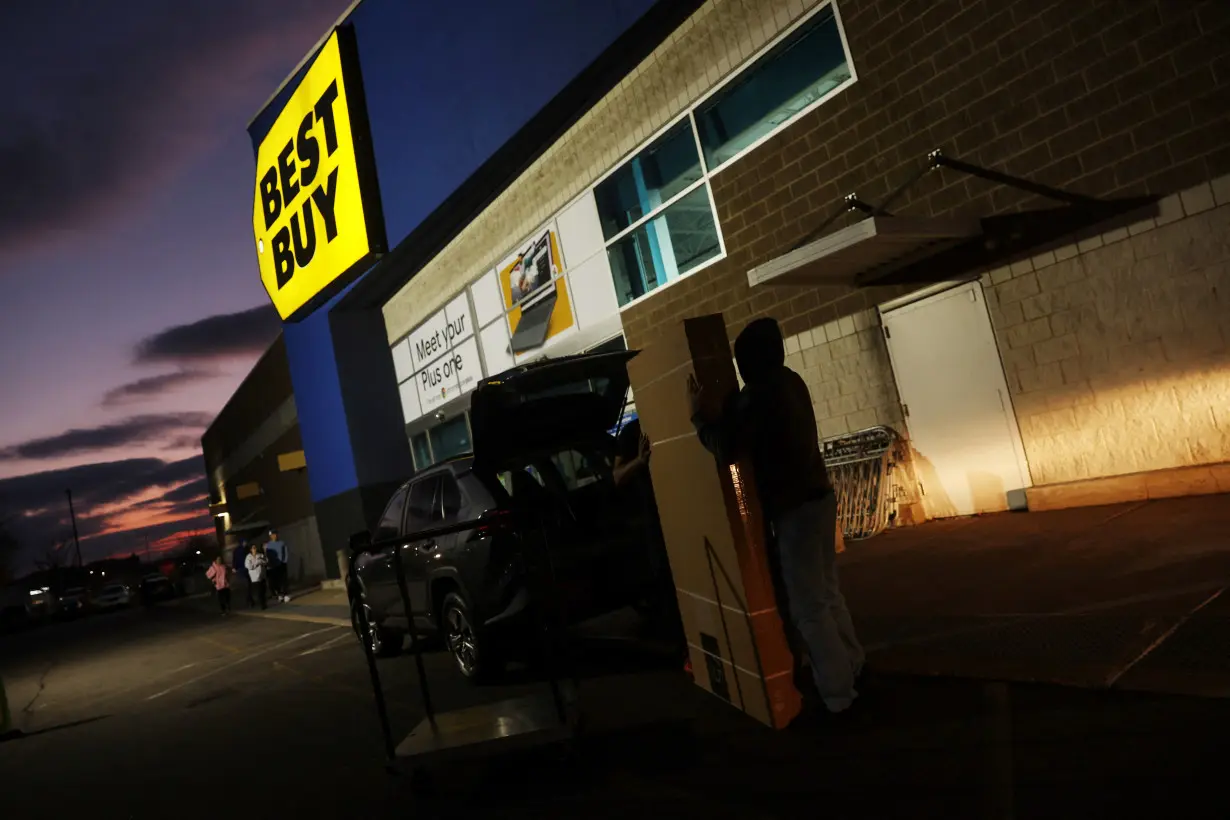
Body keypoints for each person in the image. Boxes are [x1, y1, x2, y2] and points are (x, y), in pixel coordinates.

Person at [687, 317, 864, 721]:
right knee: (828, 592)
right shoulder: (790, 381)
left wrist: (698, 417)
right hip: (819, 496)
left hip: (794, 509)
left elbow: (726, 446)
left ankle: (839, 696)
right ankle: (854, 664)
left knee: (808, 608)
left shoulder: (760, 394)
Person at [612, 417, 685, 657]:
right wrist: (640, 462)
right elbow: (618, 476)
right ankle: (681, 647)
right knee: (666, 581)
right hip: (653, 520)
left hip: (680, 512)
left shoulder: (668, 417)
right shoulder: (632, 432)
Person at [265, 530, 291, 603]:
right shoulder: (269, 545)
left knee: (284, 580)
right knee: (276, 581)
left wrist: (285, 560)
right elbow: (268, 555)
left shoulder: (282, 543)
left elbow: (285, 552)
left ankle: (286, 594)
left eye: (275, 534)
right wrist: (270, 564)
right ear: (270, 536)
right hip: (274, 565)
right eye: (272, 535)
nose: (274, 536)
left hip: (282, 564)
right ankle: (280, 594)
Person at [244, 544, 268, 611]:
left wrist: (261, 561)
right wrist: (257, 563)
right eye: (253, 548)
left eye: (255, 548)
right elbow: (249, 566)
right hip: (254, 578)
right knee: (258, 592)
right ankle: (261, 604)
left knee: (263, 591)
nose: (255, 549)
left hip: (262, 576)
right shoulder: (248, 557)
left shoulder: (260, 555)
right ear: (251, 550)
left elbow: (266, 561)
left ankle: (263, 603)